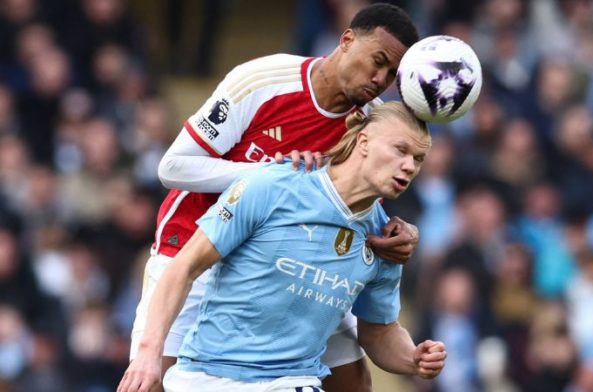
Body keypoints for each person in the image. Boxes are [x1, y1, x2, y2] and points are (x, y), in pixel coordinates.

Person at [128, 3, 421, 391]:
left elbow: (355, 199)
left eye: (390, 75)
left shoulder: (369, 119)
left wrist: (399, 231)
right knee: (153, 380)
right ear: (347, 40)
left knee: (353, 382)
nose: (379, 79)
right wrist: (272, 173)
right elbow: (173, 168)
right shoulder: (264, 79)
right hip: (195, 248)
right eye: (377, 61)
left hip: (280, 262)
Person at [119, 102, 445, 392]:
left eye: (418, 159)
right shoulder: (275, 186)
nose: (409, 166)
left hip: (292, 380)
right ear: (363, 142)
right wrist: (148, 354)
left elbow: (379, 331)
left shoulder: (387, 240)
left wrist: (413, 358)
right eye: (400, 150)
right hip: (208, 375)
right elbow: (184, 266)